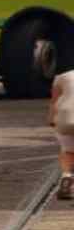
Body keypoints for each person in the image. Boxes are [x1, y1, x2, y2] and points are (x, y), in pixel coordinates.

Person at [50, 69, 74, 199]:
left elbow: (54, 103)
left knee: (67, 151)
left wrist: (52, 121)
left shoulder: (61, 77)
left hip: (66, 119)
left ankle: (66, 177)